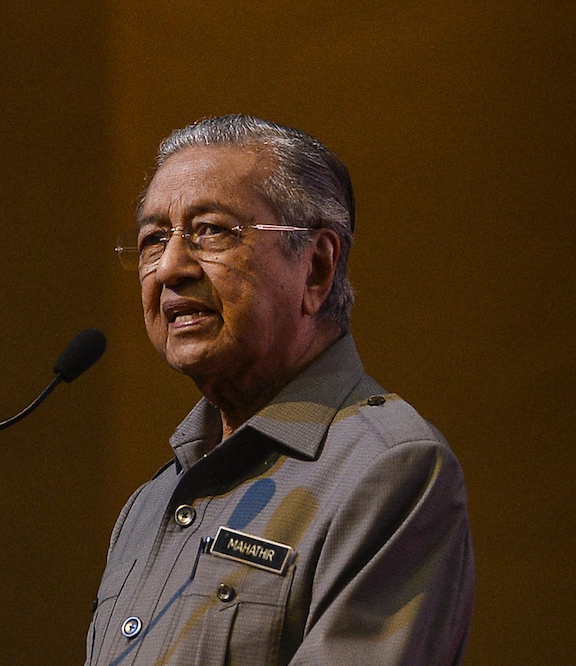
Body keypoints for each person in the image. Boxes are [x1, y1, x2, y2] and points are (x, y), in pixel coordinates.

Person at [86, 115, 475, 665]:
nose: (170, 267)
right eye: (153, 239)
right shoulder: (150, 504)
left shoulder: (388, 471)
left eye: (211, 231)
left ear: (316, 267)